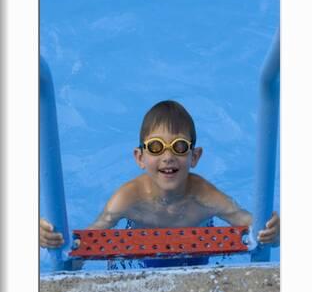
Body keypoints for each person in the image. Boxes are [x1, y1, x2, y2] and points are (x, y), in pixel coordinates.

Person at [40, 100, 280, 250]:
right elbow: (86, 242)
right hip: (138, 253)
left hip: (197, 253)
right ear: (140, 157)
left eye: (179, 147)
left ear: (194, 157)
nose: (168, 156)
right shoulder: (127, 198)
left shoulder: (205, 196)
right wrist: (54, 240)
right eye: (156, 147)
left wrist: (276, 232)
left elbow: (254, 227)